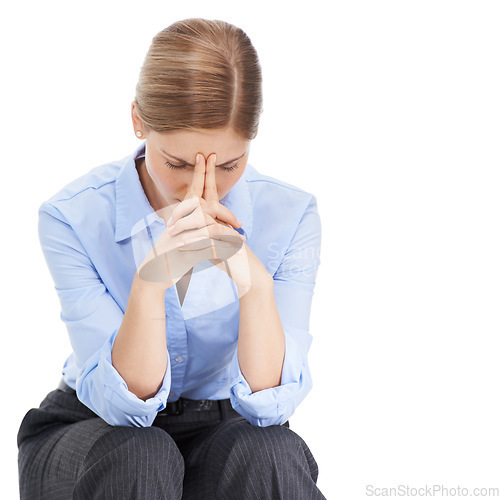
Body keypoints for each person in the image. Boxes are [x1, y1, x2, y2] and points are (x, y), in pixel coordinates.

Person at [16, 17, 325, 500]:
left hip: (224, 428)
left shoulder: (290, 214)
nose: (202, 188)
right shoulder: (72, 215)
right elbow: (127, 408)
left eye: (228, 165)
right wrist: (151, 282)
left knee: (271, 451)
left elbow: (270, 406)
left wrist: (253, 284)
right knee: (142, 452)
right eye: (178, 163)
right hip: (92, 428)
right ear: (138, 120)